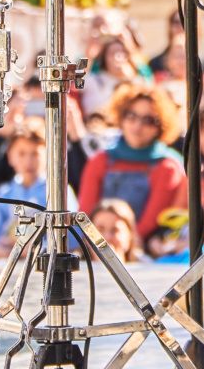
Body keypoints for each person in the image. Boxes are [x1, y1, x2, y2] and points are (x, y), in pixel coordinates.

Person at [77, 82, 186, 246]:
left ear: (161, 125)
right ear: (121, 117)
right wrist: (99, 247)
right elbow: (85, 214)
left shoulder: (168, 166)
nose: (137, 125)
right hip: (95, 249)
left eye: (148, 120)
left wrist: (123, 243)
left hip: (141, 253)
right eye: (131, 115)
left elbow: (151, 222)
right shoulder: (100, 160)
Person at [0, 122, 76, 258]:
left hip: (46, 264)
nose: (28, 161)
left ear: (49, 156)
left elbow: (71, 239)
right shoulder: (4, 194)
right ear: (10, 156)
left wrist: (39, 248)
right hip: (9, 262)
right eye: (21, 154)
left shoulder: (59, 192)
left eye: (35, 154)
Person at [82, 37, 143, 117]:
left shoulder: (135, 82)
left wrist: (129, 79)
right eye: (112, 53)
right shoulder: (94, 80)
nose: (117, 57)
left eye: (122, 52)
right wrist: (88, 56)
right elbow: (77, 85)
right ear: (104, 58)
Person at [91, 198, 143, 263]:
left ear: (130, 235)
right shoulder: (75, 268)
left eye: (115, 230)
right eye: (100, 230)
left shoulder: (147, 266)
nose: (107, 237)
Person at [147, 10, 183, 75]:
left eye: (187, 22)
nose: (181, 26)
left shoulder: (203, 64)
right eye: (176, 22)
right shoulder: (155, 63)